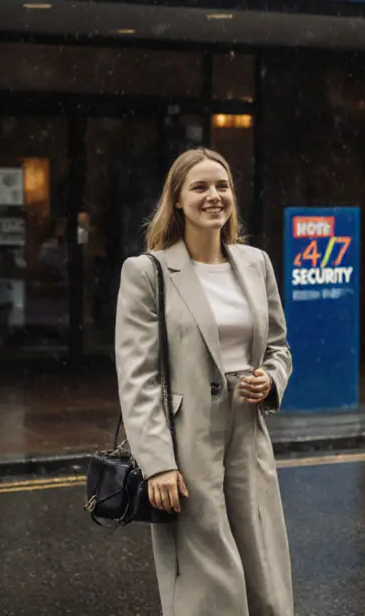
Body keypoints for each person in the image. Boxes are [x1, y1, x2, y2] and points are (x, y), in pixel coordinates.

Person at [115, 147, 294, 616]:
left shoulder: (255, 263)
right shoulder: (147, 272)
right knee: (207, 573)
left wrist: (270, 380)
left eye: (223, 186)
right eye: (200, 187)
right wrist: (156, 463)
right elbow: (138, 377)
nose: (214, 196)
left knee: (262, 565)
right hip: (187, 436)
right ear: (176, 200)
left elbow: (278, 347)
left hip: (248, 431)